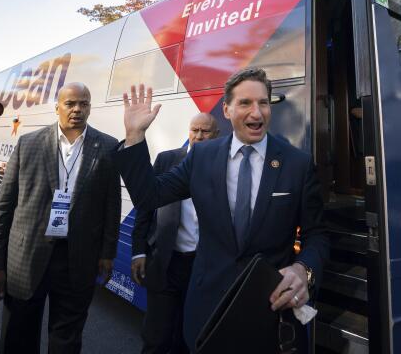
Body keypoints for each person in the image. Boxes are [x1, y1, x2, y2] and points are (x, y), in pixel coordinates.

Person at [119, 68, 329, 352]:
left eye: (263, 103)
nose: (256, 113)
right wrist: (134, 138)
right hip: (207, 310)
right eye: (245, 103)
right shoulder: (202, 157)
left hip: (270, 312)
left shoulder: (297, 163)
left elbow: (317, 235)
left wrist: (304, 269)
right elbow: (149, 196)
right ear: (227, 110)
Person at [0, 82, 121, 354]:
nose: (77, 109)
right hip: (26, 257)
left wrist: (107, 252)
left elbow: (111, 206)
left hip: (78, 257)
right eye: (70, 103)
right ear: (57, 106)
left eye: (84, 103)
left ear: (90, 108)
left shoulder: (107, 147)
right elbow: (3, 207)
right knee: (18, 334)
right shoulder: (28, 143)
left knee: (67, 338)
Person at [131, 112, 219, 354]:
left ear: (217, 135)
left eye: (205, 131)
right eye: (195, 130)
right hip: (166, 263)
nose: (199, 136)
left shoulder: (225, 168)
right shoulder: (167, 160)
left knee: (187, 339)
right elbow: (145, 207)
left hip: (202, 268)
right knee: (156, 338)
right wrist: (138, 252)